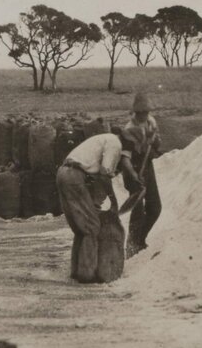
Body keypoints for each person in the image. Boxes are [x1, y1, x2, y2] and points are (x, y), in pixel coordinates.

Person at [56, 132, 141, 283]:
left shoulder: (103, 140)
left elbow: (97, 178)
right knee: (92, 227)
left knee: (81, 228)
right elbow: (103, 174)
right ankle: (86, 275)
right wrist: (114, 202)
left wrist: (95, 204)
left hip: (64, 173)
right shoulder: (115, 144)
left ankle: (76, 271)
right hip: (74, 175)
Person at [119, 92, 163, 257]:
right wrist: (133, 175)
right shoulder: (129, 129)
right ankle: (131, 246)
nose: (144, 115)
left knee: (155, 208)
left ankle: (140, 240)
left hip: (147, 167)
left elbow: (157, 146)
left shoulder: (152, 122)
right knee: (137, 211)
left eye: (146, 112)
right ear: (135, 113)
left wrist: (154, 139)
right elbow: (125, 159)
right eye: (140, 113)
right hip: (133, 169)